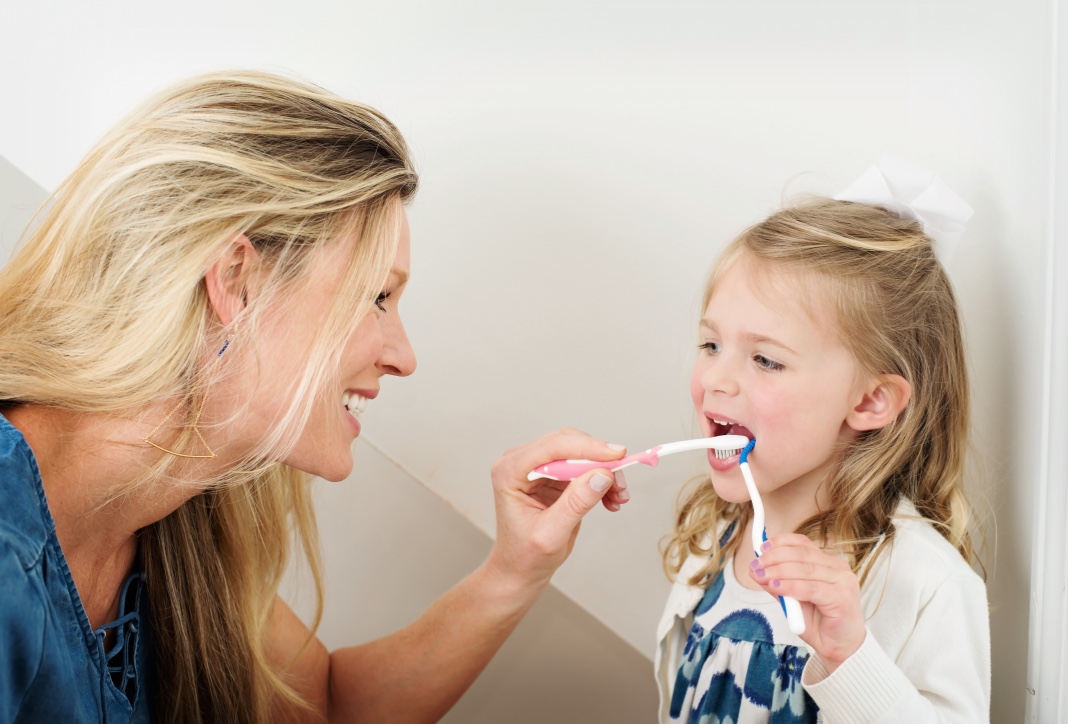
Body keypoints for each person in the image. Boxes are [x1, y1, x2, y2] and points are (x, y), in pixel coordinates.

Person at [0, 70, 631, 724]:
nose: (404, 357)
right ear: (236, 281)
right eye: (376, 296)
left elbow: (320, 707)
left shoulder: (177, 515)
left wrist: (514, 569)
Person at [656, 189, 990, 721]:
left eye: (766, 360)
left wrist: (850, 658)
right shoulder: (713, 538)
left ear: (870, 400)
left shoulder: (926, 582)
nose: (716, 379)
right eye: (711, 345)